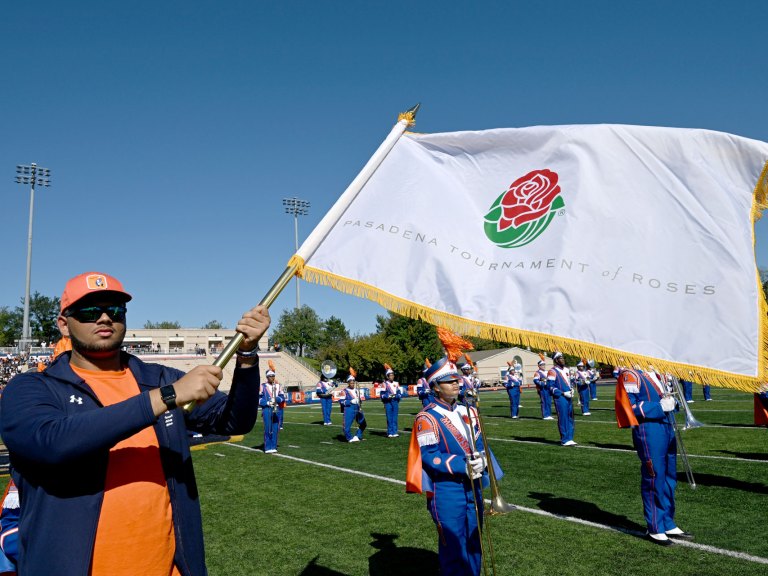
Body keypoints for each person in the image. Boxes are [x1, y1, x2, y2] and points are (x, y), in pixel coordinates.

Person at [0, 271, 269, 576]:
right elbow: (52, 442)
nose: (104, 318)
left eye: (114, 310)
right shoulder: (32, 388)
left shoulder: (157, 377)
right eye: (89, 311)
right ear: (64, 323)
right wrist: (165, 398)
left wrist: (246, 355)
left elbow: (235, 421)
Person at [405, 328, 496, 576]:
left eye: (457, 380)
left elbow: (478, 442)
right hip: (447, 489)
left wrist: (484, 459)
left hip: (472, 487)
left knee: (474, 543)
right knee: (453, 548)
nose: (457, 384)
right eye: (450, 381)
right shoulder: (426, 417)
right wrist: (462, 464)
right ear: (436, 387)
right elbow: (429, 456)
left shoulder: (468, 410)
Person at [615, 365, 693, 546]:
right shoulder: (631, 374)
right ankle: (655, 527)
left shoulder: (659, 372)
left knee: (669, 476)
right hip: (649, 429)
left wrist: (673, 401)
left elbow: (669, 399)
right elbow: (629, 405)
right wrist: (658, 407)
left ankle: (667, 521)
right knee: (654, 476)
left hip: (667, 425)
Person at [544, 352, 576, 446]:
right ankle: (565, 439)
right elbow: (549, 387)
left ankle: (570, 437)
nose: (563, 360)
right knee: (563, 417)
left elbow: (569, 382)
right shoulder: (552, 371)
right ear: (556, 360)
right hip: (560, 397)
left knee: (570, 417)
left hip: (568, 396)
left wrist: (571, 389)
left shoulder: (566, 369)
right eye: (560, 358)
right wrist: (562, 393)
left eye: (563, 358)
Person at [260, 360, 284, 453]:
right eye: (270, 376)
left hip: (276, 408)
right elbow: (258, 399)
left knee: (275, 428)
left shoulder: (278, 386)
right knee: (268, 428)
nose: (272, 377)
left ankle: (273, 446)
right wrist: (267, 403)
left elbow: (282, 397)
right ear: (267, 377)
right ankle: (267, 447)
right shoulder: (263, 386)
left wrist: (277, 399)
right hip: (267, 409)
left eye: (273, 376)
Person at [341, 368, 366, 442]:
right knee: (346, 427)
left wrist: (360, 402)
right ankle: (349, 438)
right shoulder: (344, 391)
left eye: (353, 382)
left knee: (363, 424)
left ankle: (357, 436)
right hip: (349, 409)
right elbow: (341, 401)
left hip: (357, 409)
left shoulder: (356, 390)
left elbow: (360, 400)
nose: (352, 384)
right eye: (351, 383)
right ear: (348, 383)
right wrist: (350, 401)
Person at [381, 364, 402, 438]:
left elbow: (399, 393)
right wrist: (388, 396)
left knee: (395, 417)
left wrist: (396, 396)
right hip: (388, 402)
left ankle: (395, 431)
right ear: (387, 376)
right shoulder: (384, 384)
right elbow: (382, 395)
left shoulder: (396, 383)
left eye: (393, 375)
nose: (392, 376)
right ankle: (390, 432)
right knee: (389, 417)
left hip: (395, 401)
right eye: (390, 375)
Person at [533, 355, 554, 420]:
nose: (543, 366)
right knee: (544, 401)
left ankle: (549, 414)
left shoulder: (547, 372)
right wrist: (542, 383)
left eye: (544, 365)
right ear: (539, 366)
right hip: (542, 389)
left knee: (549, 402)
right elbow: (535, 380)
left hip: (548, 389)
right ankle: (545, 415)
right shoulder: (537, 373)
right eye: (542, 365)